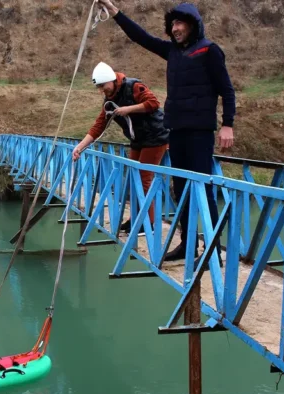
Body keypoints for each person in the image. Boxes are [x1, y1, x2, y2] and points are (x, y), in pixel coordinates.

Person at [97, 0, 236, 264]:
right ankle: (187, 245)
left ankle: (213, 251)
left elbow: (226, 90)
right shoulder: (172, 52)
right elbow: (141, 37)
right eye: (172, 24)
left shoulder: (209, 51)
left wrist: (227, 124)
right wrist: (114, 11)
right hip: (176, 129)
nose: (175, 28)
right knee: (180, 188)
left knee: (203, 189)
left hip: (200, 130)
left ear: (193, 24)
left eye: (180, 23)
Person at [72, 62, 169, 235]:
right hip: (138, 139)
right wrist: (80, 147)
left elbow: (153, 103)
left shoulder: (133, 86)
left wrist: (128, 109)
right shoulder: (109, 101)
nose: (102, 90)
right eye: (99, 88)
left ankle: (150, 223)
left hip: (155, 136)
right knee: (133, 177)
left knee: (144, 178)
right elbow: (99, 126)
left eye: (103, 86)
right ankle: (137, 218)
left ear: (111, 80)